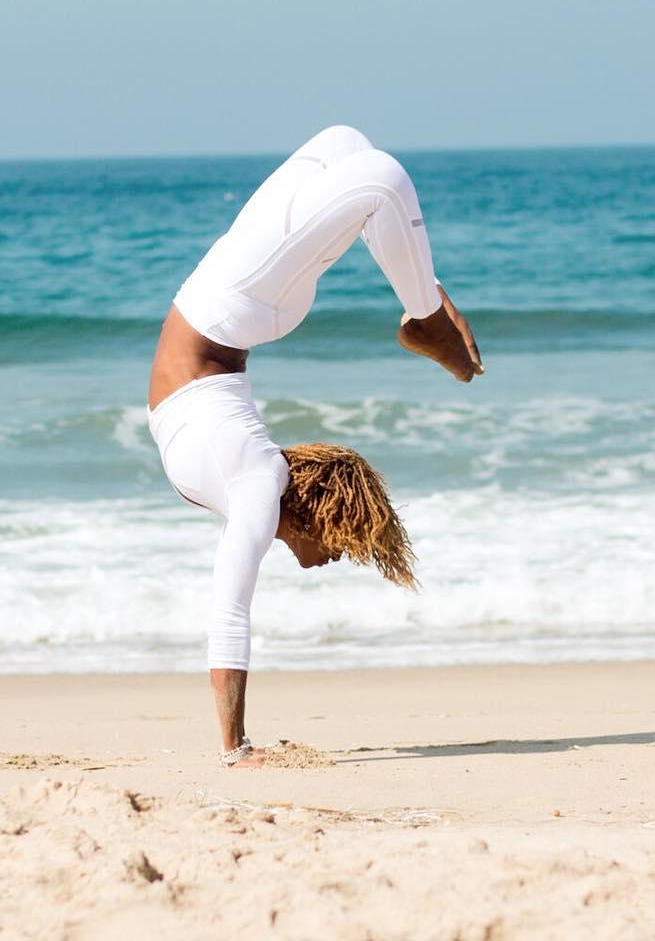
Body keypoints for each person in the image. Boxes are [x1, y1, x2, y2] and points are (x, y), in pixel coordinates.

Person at [147, 125, 482, 767]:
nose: (336, 557)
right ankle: (424, 316)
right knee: (378, 173)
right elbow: (229, 611)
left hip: (235, 313)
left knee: (346, 143)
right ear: (316, 517)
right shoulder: (256, 489)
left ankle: (426, 299)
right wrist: (235, 747)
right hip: (233, 307)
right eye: (344, 541)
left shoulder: (254, 477)